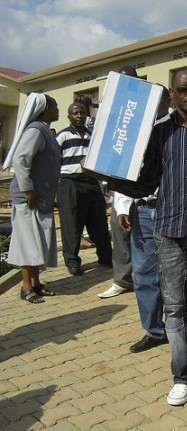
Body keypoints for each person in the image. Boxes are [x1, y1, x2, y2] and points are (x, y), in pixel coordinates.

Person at [108, 67, 187, 413]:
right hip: (167, 233)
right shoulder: (159, 135)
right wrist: (111, 180)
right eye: (183, 89)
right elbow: (146, 182)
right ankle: (183, 376)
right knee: (176, 312)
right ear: (172, 94)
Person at [113, 86, 171, 353]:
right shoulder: (136, 131)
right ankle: (155, 330)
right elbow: (125, 171)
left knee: (177, 272)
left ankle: (179, 324)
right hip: (144, 211)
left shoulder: (177, 127)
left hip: (172, 210)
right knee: (145, 273)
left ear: (167, 101)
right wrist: (123, 206)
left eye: (160, 99)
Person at [5, 93, 60, 303]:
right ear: (46, 109)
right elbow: (20, 160)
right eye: (54, 107)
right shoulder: (36, 130)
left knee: (38, 242)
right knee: (27, 242)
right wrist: (28, 189)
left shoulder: (44, 130)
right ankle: (26, 287)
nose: (57, 110)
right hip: (29, 199)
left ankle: (36, 283)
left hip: (40, 198)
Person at [56, 102, 112, 276]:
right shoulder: (62, 136)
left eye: (82, 113)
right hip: (70, 183)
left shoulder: (92, 136)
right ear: (69, 117)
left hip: (91, 183)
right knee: (72, 225)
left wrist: (103, 183)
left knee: (99, 223)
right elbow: (54, 161)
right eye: (75, 113)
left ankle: (105, 257)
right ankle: (72, 262)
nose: (79, 116)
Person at [98, 65, 138, 298]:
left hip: (144, 186)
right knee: (120, 233)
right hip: (119, 184)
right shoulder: (111, 111)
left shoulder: (143, 110)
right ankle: (122, 280)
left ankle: (149, 281)